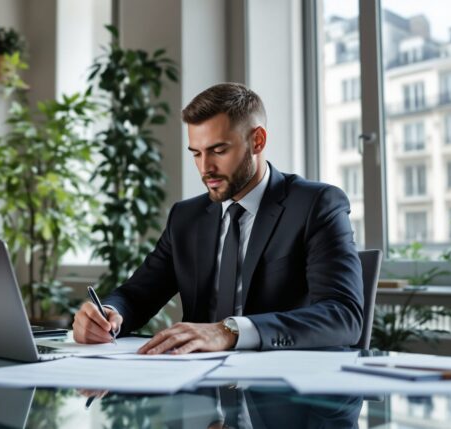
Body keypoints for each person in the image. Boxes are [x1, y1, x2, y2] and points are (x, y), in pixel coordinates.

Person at [73, 82, 363, 353]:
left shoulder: (315, 205)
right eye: (196, 153)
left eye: (218, 150)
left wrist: (231, 331)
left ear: (257, 141)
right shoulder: (186, 218)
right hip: (199, 393)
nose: (205, 168)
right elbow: (136, 295)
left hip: (282, 392)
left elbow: (343, 316)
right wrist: (107, 315)